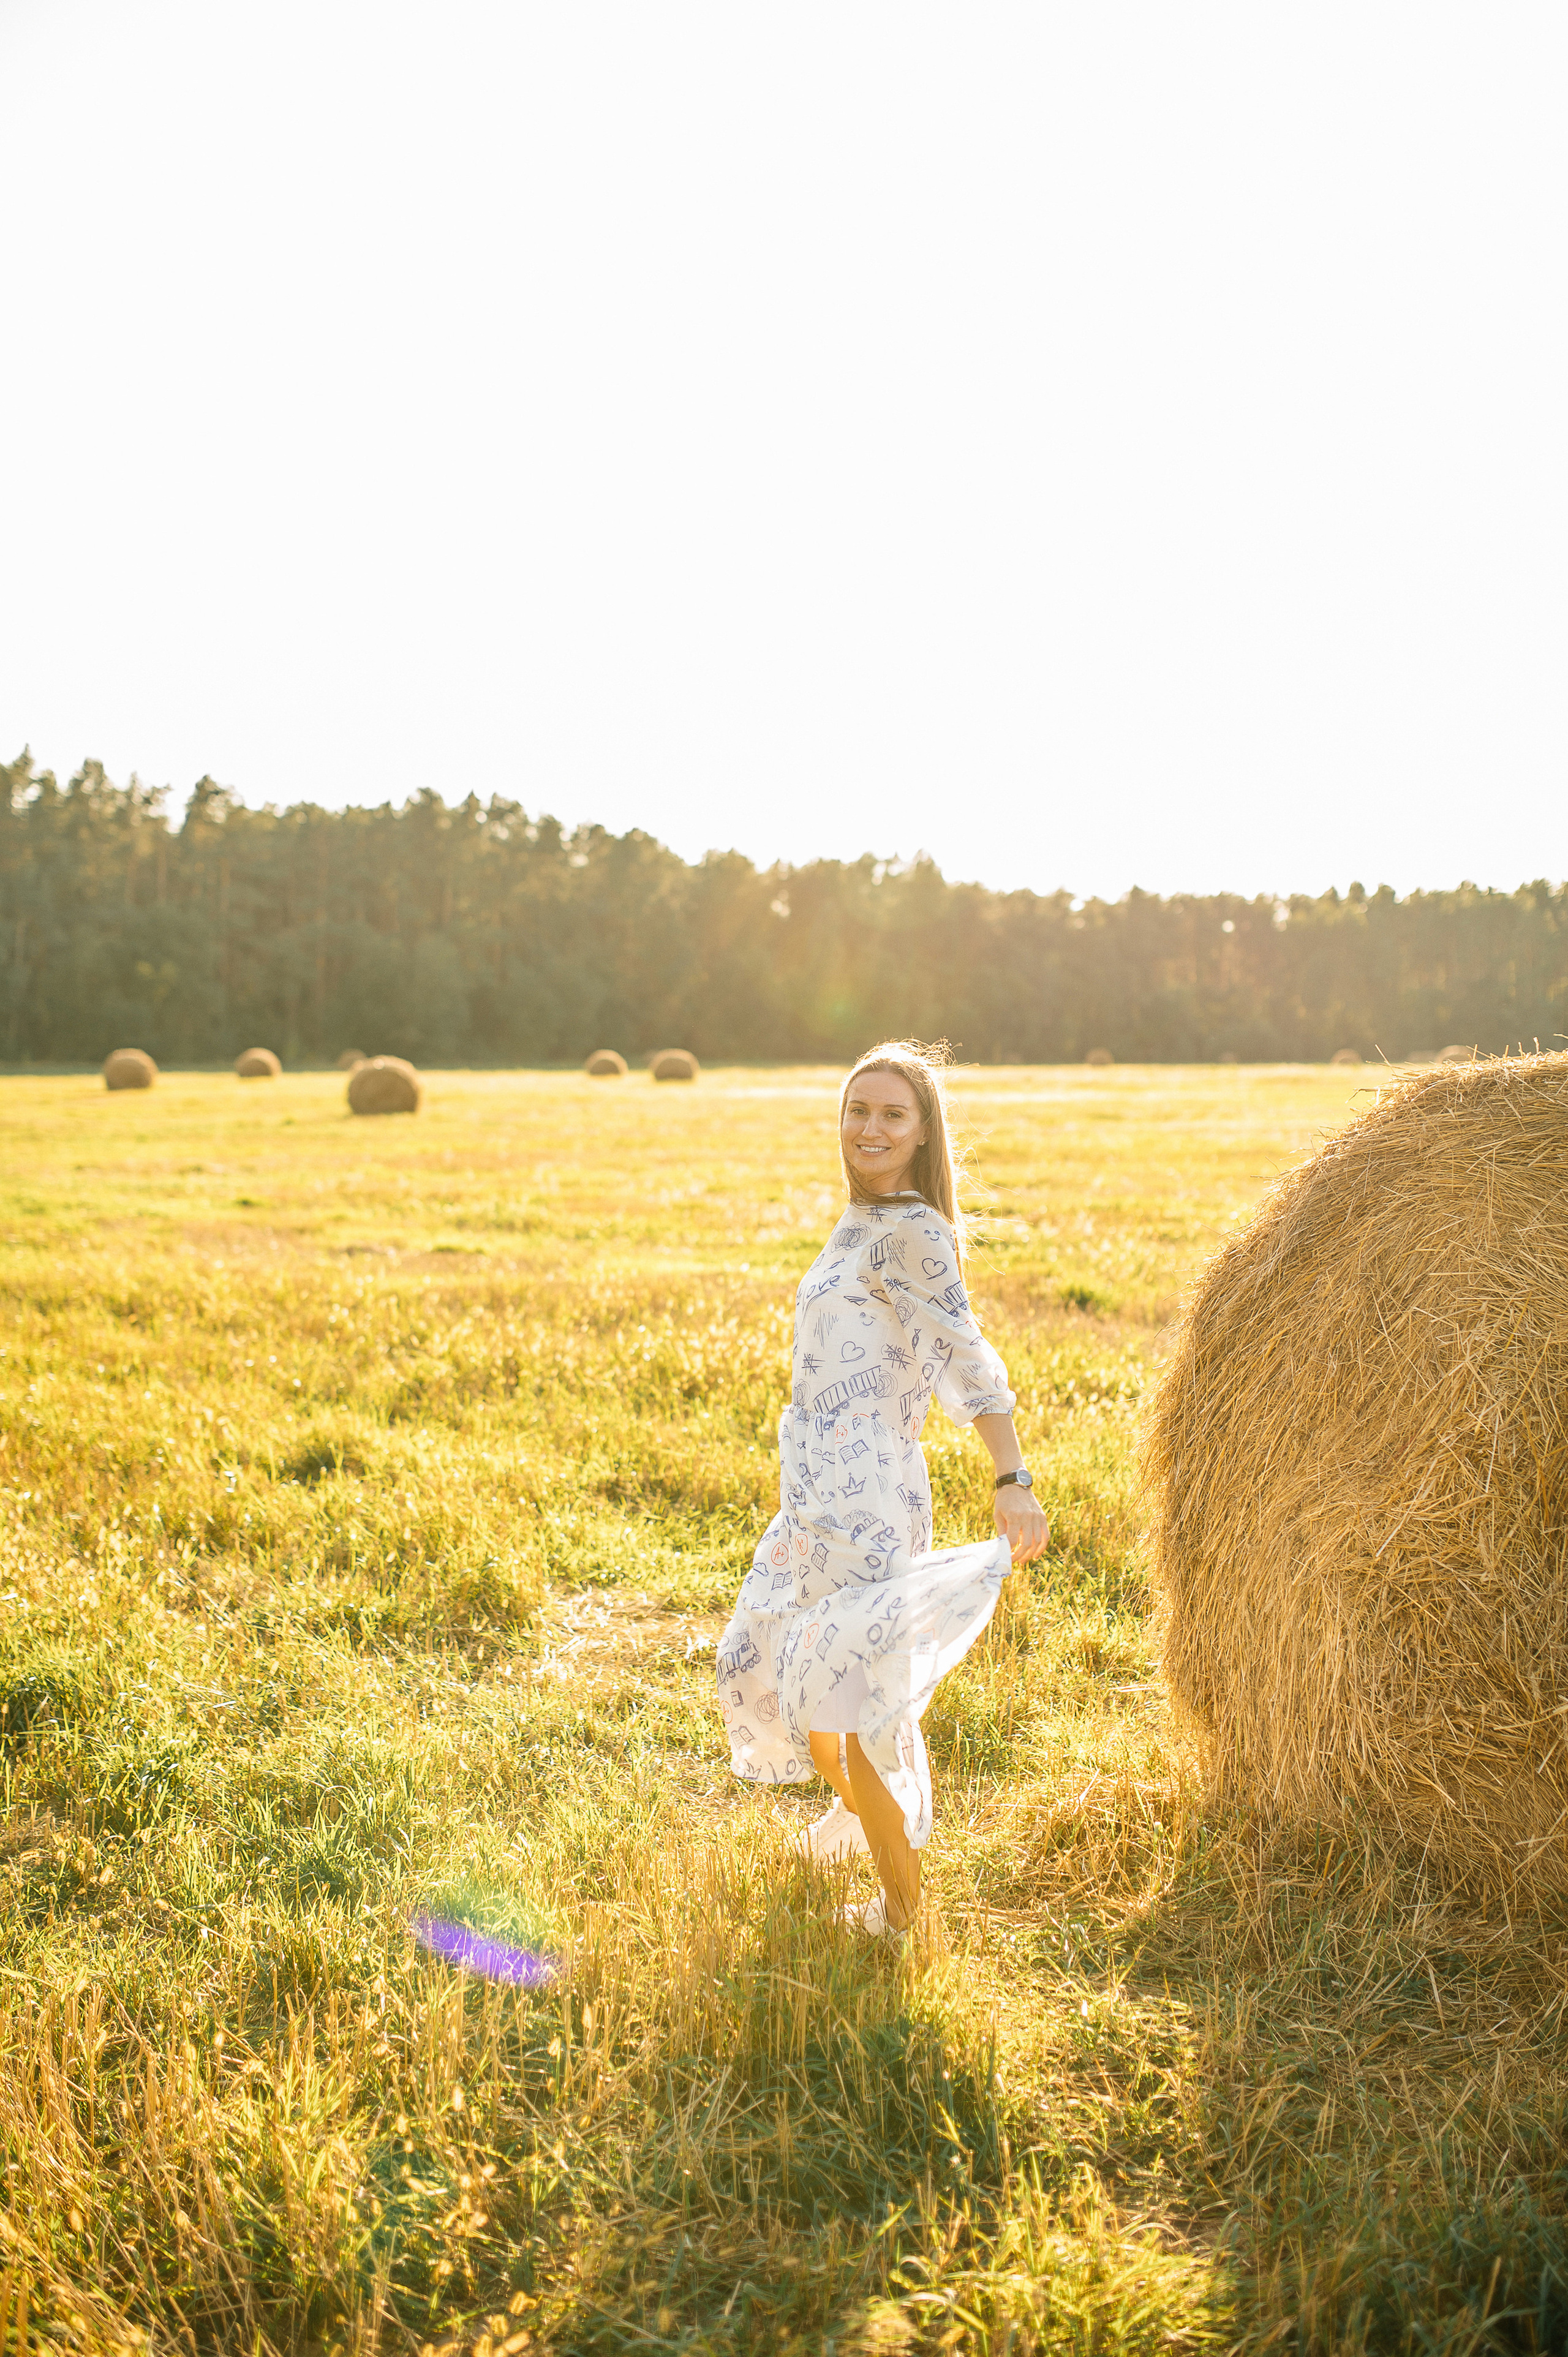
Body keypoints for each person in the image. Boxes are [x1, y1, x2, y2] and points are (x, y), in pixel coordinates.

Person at [715, 1041, 1049, 1937]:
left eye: (892, 1114)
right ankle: (854, 1816)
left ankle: (903, 1915)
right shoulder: (860, 1221)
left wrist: (1011, 1475)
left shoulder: (912, 1229)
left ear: (922, 1132)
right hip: (814, 1487)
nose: (869, 1126)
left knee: (855, 1701)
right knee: (777, 1661)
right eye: (857, 1110)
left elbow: (966, 1352)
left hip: (865, 1491)